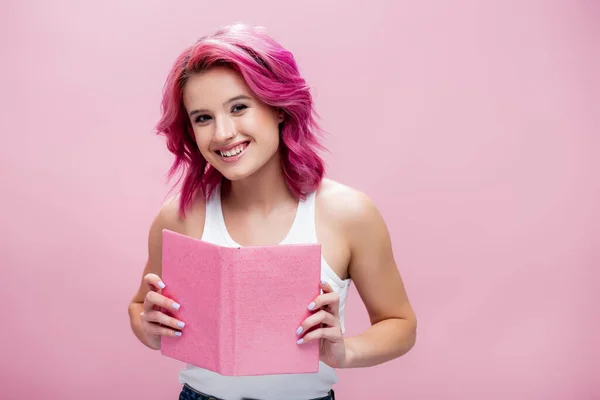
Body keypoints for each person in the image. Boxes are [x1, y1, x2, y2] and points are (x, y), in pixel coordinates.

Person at [128, 23, 417, 400]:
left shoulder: (348, 214)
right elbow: (139, 307)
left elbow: (400, 323)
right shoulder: (179, 216)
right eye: (203, 117)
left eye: (239, 107)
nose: (223, 133)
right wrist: (149, 329)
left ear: (278, 107)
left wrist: (345, 352)